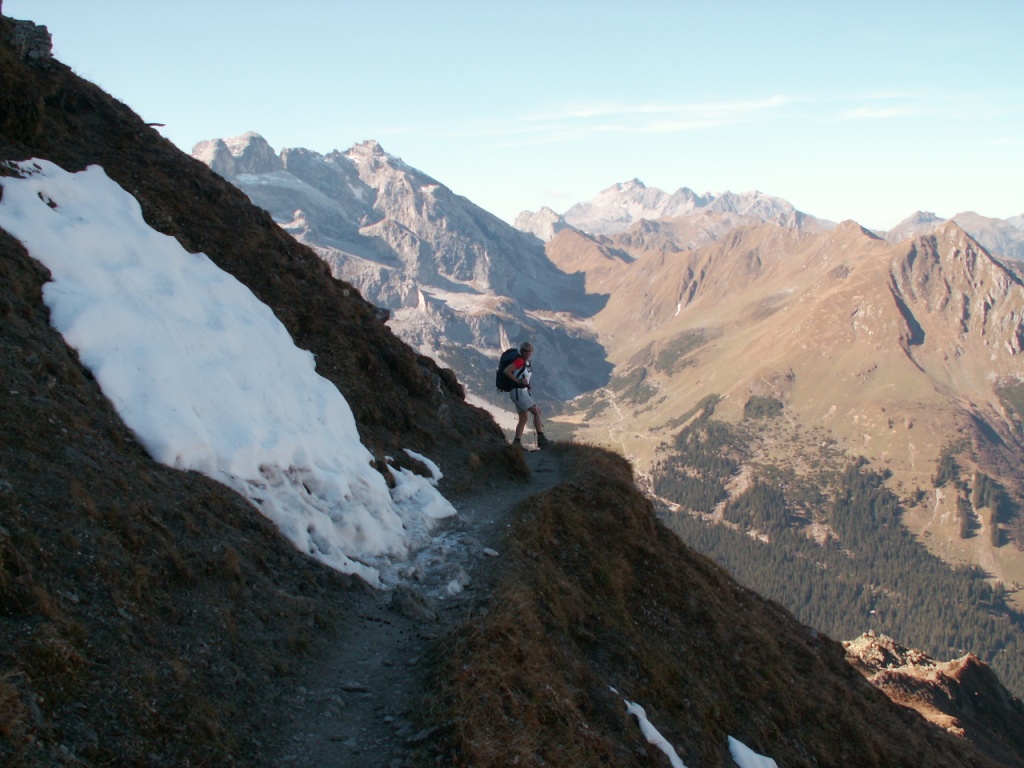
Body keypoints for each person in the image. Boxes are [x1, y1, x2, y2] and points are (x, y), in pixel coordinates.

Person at [504, 342, 550, 448]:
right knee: (537, 412)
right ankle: (541, 439)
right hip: (518, 392)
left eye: (530, 351)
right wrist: (518, 381)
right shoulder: (520, 361)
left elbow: (524, 376)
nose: (528, 353)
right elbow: (506, 371)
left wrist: (527, 385)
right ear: (521, 351)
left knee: (523, 418)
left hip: (521, 392)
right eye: (525, 350)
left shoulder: (527, 362)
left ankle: (516, 443)